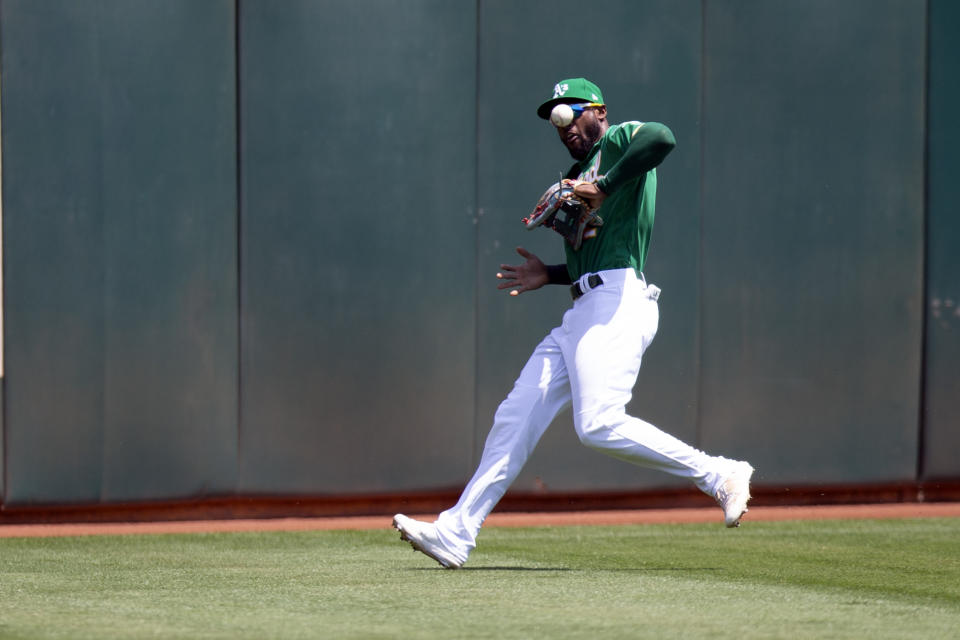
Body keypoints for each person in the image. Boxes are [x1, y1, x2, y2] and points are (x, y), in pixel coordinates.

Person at [394, 78, 754, 569]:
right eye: (554, 119)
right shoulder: (575, 176)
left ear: (599, 111)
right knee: (516, 414)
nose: (561, 124)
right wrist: (550, 274)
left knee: (599, 423)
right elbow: (591, 257)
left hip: (619, 299)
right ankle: (457, 532)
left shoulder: (621, 140)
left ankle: (718, 472)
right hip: (582, 309)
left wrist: (602, 187)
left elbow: (663, 137)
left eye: (570, 111)